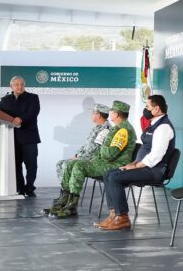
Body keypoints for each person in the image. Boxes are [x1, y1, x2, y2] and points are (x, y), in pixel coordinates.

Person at [46, 102, 137, 219]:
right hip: (105, 161)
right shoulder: (118, 128)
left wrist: (101, 150)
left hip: (115, 165)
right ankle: (65, 200)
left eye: (112, 112)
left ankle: (72, 206)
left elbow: (109, 154)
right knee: (72, 164)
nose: (110, 114)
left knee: (79, 166)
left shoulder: (123, 130)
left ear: (117, 114)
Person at [98, 95, 175, 231]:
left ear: (157, 109)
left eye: (147, 107)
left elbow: (156, 156)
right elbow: (145, 150)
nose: (145, 110)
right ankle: (114, 215)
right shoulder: (154, 124)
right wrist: (133, 163)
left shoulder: (163, 127)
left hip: (155, 171)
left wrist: (135, 166)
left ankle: (122, 218)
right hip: (144, 167)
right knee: (108, 174)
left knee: (115, 178)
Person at [0, 75, 41, 197]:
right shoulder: (4, 100)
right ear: (11, 86)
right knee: (15, 165)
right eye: (16, 84)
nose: (19, 86)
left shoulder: (33, 98)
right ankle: (20, 188)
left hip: (29, 138)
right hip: (11, 138)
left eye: (21, 84)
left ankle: (30, 187)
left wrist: (21, 118)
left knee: (31, 164)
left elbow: (33, 113)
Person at [54, 103, 112, 182]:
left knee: (66, 165)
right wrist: (77, 155)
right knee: (59, 164)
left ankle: (69, 191)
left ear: (98, 115)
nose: (91, 115)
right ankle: (66, 190)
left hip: (92, 160)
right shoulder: (97, 127)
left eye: (93, 113)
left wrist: (80, 157)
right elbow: (86, 145)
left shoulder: (105, 130)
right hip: (85, 156)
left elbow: (95, 150)